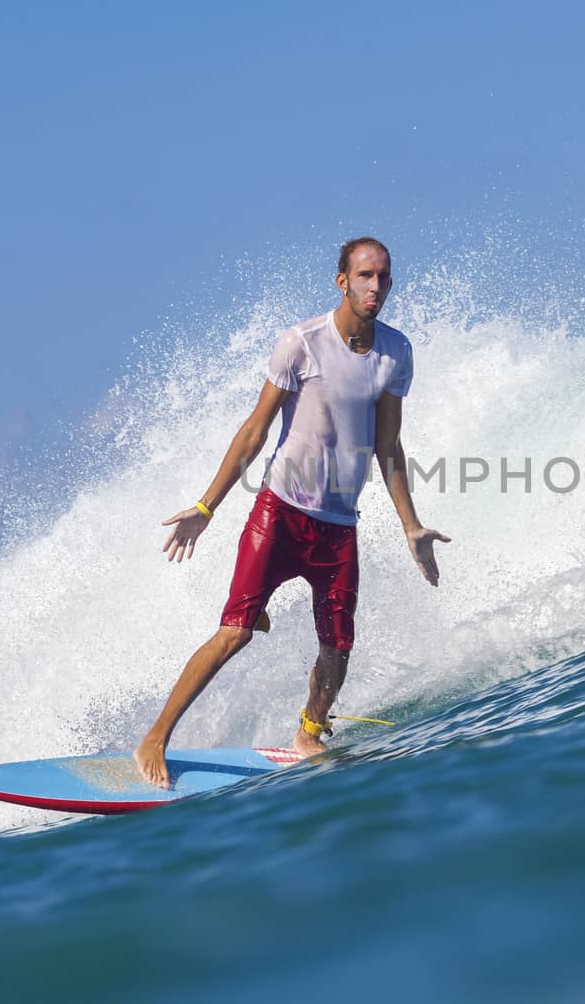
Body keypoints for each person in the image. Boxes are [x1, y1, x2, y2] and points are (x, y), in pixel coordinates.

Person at [133, 238, 449, 787]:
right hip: (279, 513)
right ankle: (155, 737)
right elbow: (254, 431)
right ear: (342, 281)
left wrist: (411, 526)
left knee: (337, 649)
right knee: (235, 633)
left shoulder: (396, 352)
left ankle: (308, 733)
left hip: (338, 527)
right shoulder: (301, 343)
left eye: (385, 278)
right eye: (366, 276)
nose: (377, 287)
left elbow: (388, 447)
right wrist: (207, 506)